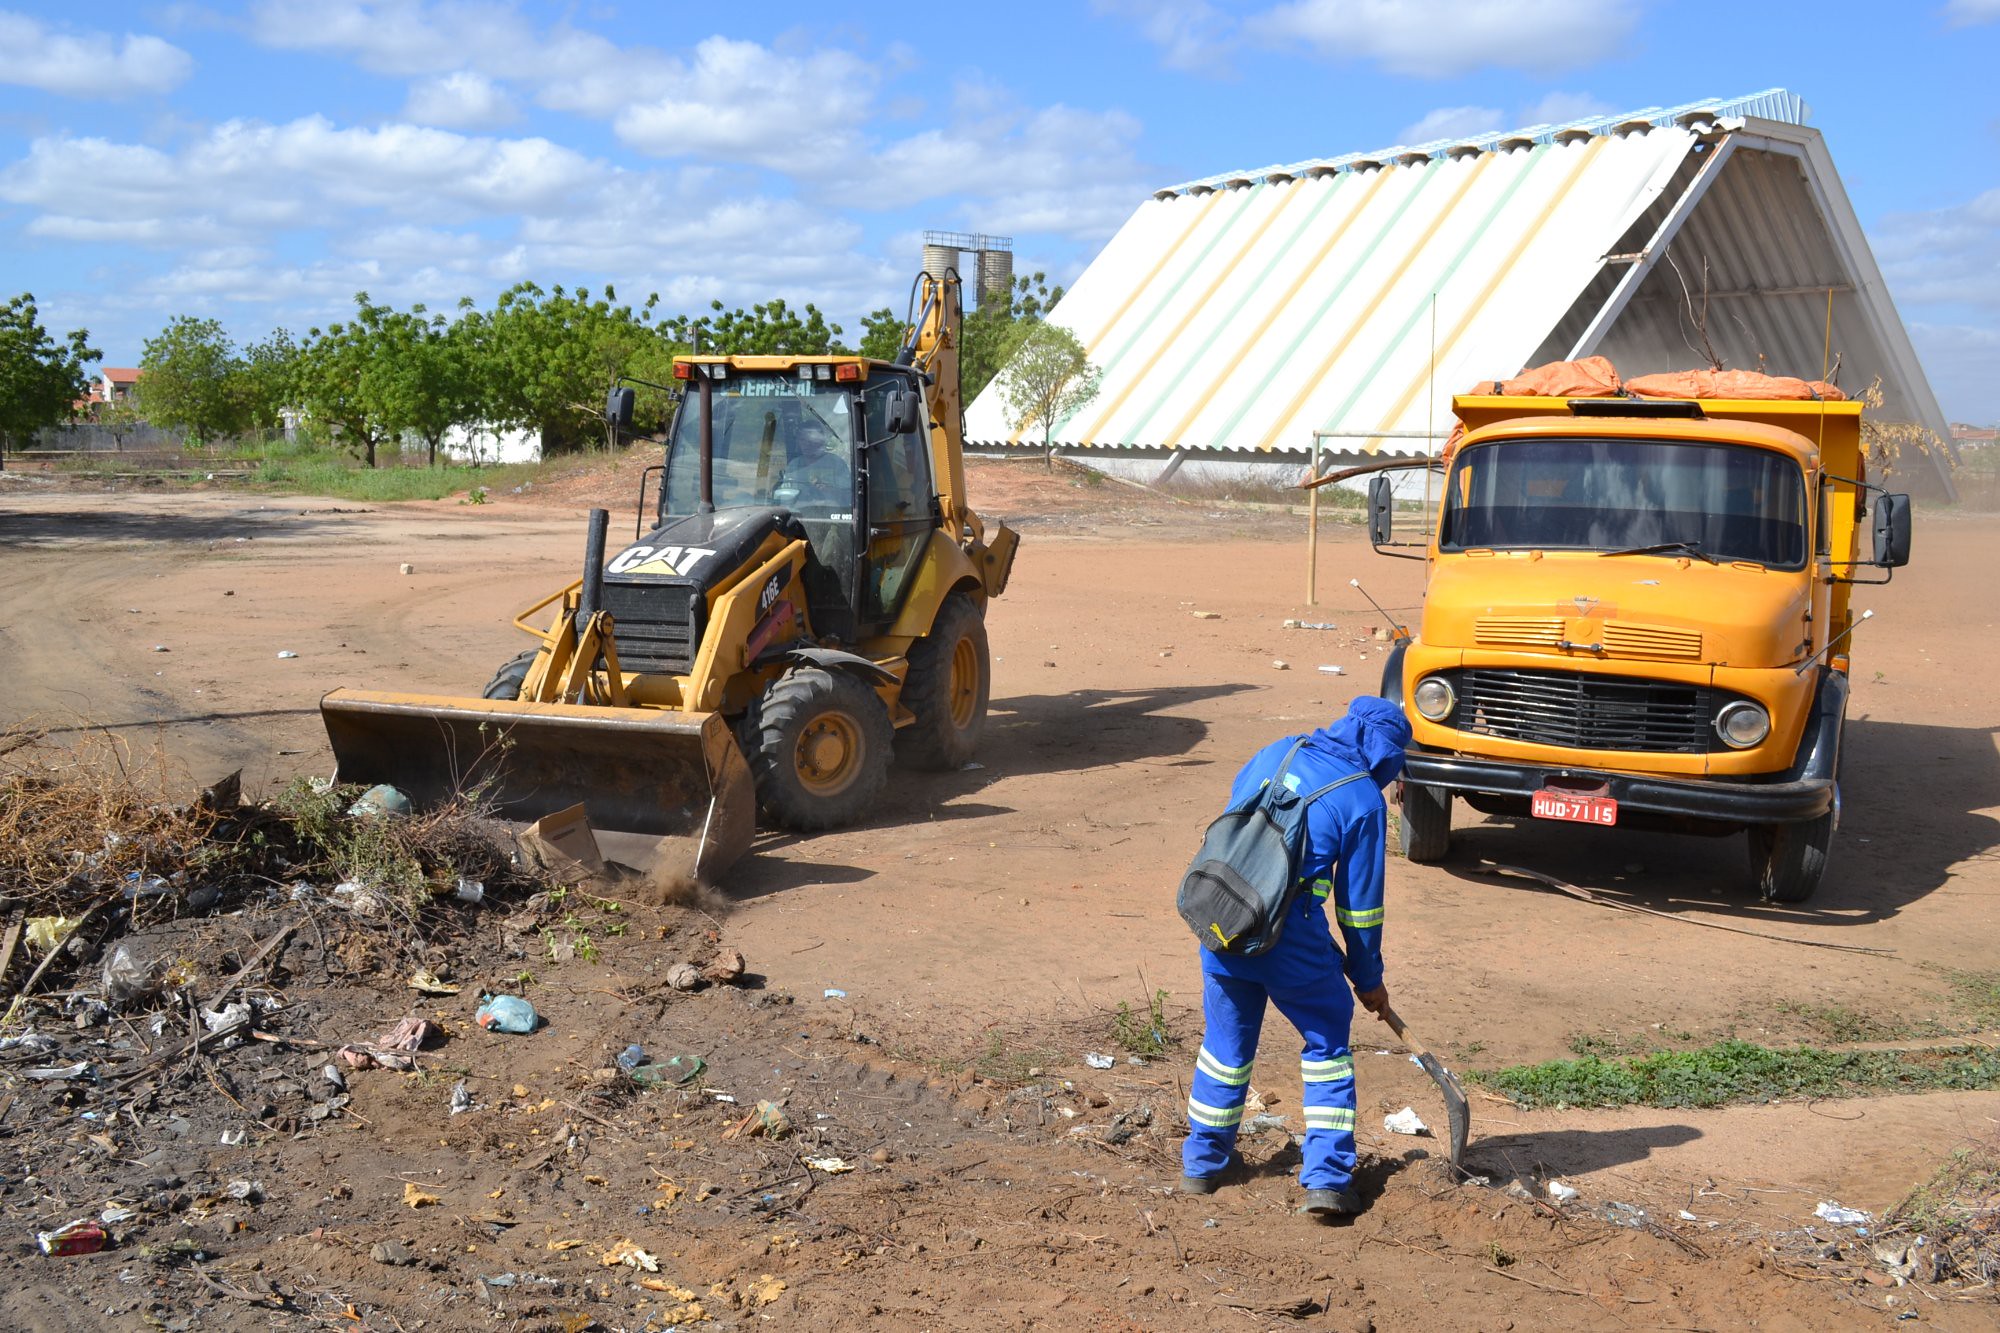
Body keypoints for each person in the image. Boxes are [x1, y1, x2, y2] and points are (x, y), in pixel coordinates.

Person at [1180, 695, 1413, 1216]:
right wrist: (1367, 977)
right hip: (1295, 945)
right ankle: (1327, 1181)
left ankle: (1201, 1164)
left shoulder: (1276, 751)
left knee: (1224, 1049)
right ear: (1385, 755)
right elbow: (1360, 912)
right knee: (1327, 1047)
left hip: (1226, 924)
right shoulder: (1361, 799)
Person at [775, 418, 851, 509]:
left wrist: (830, 490)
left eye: (811, 440)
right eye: (803, 440)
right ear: (798, 441)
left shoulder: (836, 463)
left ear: (821, 441)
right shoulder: (794, 465)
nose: (807, 444)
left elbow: (849, 496)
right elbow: (785, 498)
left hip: (832, 516)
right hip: (801, 516)